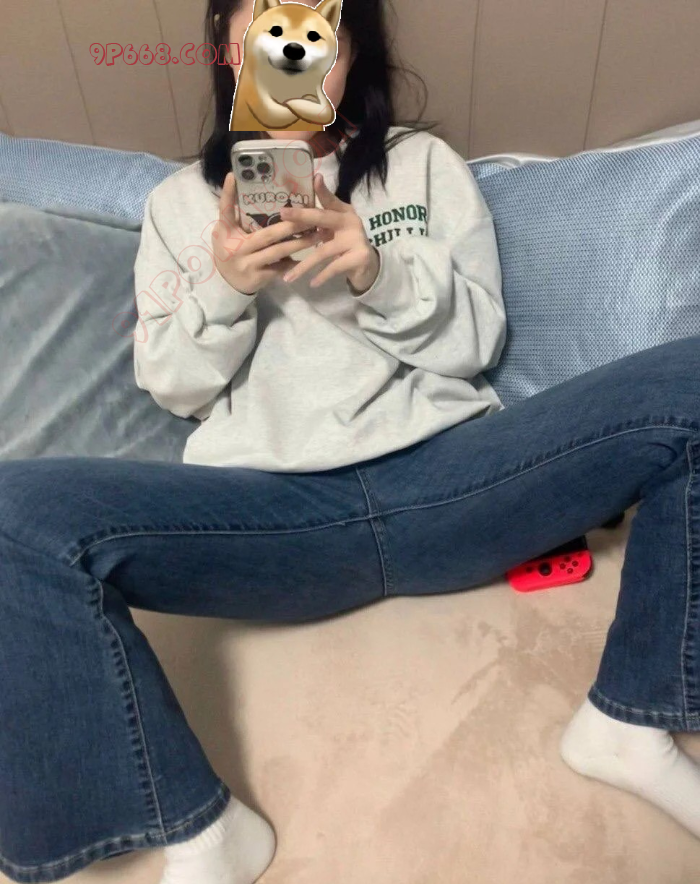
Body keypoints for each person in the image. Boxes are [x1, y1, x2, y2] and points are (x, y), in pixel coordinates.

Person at [1, 0, 700, 881]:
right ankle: (198, 829)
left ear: (354, 51)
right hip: (273, 519)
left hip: (456, 482)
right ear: (226, 53)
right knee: (13, 512)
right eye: (266, 41)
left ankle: (630, 722)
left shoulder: (421, 166)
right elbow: (176, 387)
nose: (291, 65)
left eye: (313, 41)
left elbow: (476, 345)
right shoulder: (178, 206)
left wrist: (374, 268)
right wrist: (225, 287)